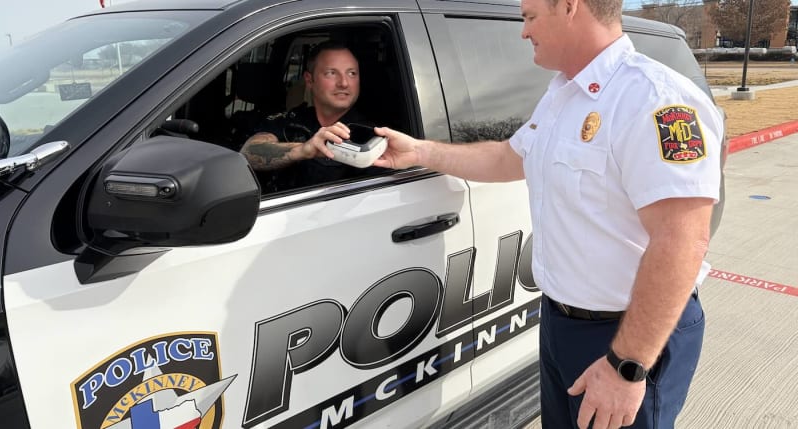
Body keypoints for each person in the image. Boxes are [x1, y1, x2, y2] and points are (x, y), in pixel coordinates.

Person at [372, 0, 723, 427]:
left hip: (624, 340)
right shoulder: (563, 93)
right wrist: (420, 152)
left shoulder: (654, 100)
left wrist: (626, 366)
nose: (523, 31)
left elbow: (682, 241)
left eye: (530, 16)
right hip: (561, 323)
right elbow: (508, 157)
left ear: (570, 7)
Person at [239, 40, 373, 188]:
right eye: (331, 73)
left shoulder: (369, 137)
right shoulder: (291, 120)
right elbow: (249, 152)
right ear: (309, 80)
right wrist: (304, 149)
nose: (344, 83)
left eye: (352, 73)